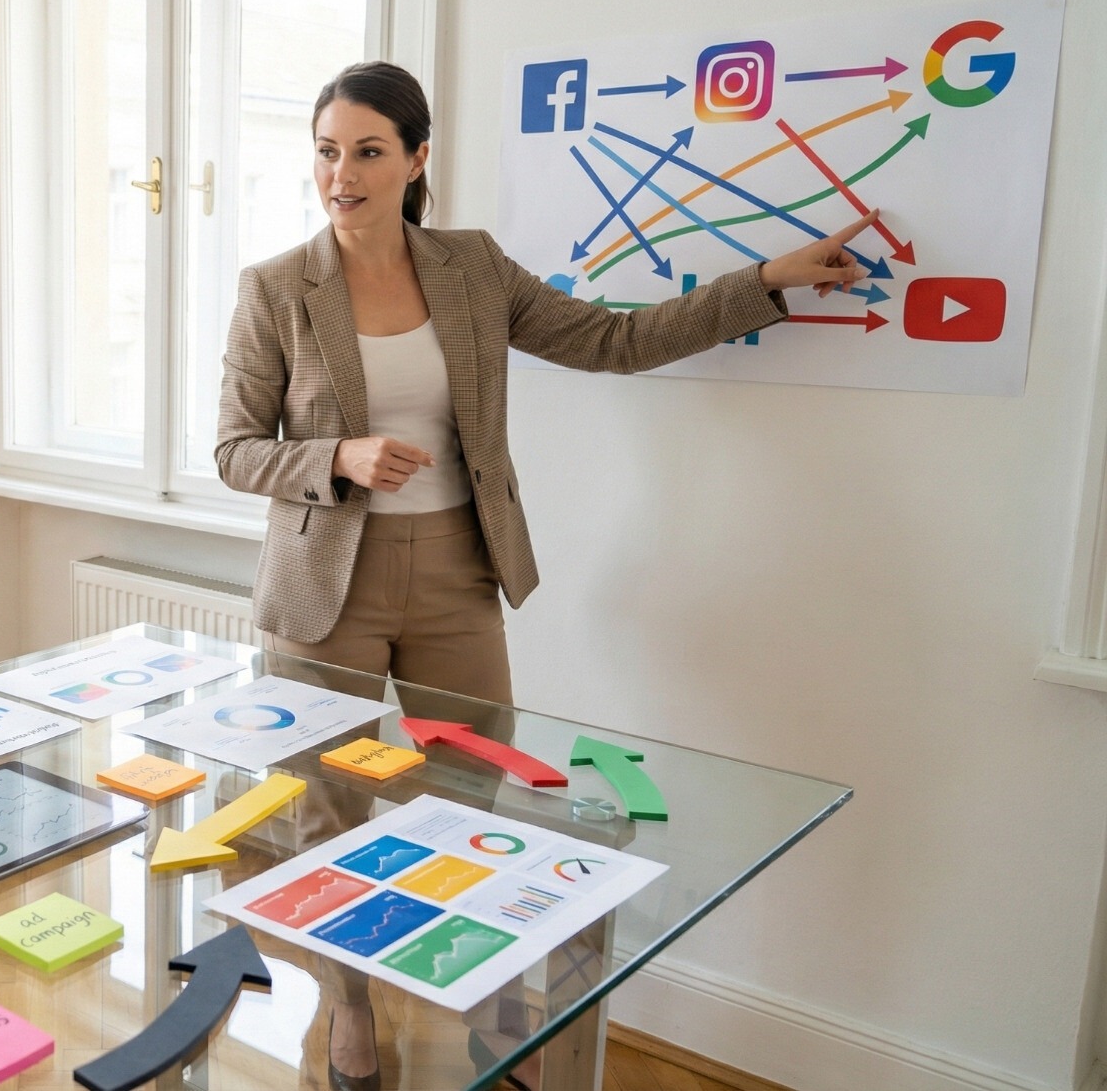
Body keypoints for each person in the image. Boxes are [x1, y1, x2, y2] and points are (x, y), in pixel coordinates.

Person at [213, 60, 876, 1090]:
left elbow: (610, 340)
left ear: (416, 158)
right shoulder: (274, 287)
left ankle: (484, 990)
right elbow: (232, 449)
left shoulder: (471, 268)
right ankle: (348, 1008)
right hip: (320, 584)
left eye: (366, 151)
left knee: (478, 795)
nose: (339, 174)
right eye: (325, 150)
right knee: (327, 807)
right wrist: (334, 458)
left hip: (454, 573)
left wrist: (764, 284)